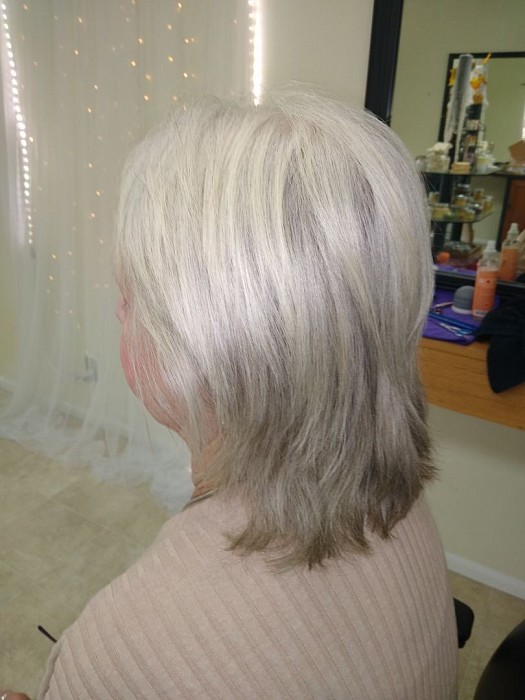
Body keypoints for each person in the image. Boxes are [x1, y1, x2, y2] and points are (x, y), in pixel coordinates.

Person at [3, 91, 458, 699]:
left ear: (204, 345)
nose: (117, 311)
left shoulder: (133, 653)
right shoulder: (399, 505)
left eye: (131, 295)